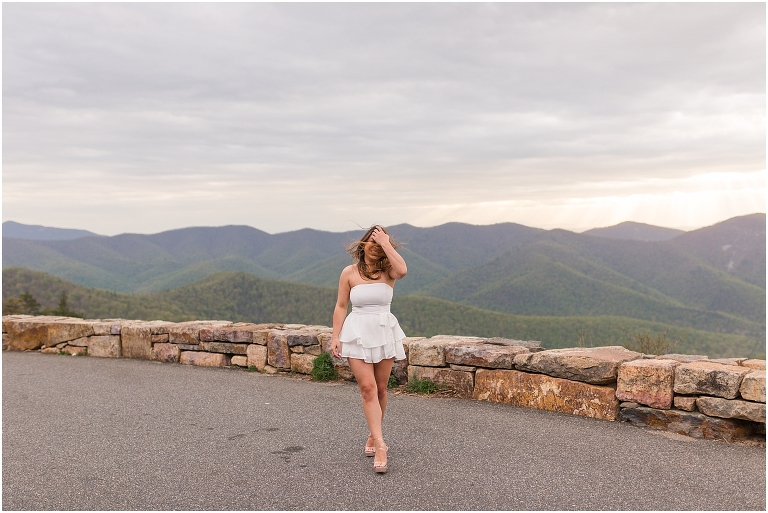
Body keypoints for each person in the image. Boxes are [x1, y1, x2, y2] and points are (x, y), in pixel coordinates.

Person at [329, 225, 408, 474]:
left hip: (384, 331)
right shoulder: (349, 272)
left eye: (381, 244)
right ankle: (381, 445)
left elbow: (403, 270)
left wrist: (385, 242)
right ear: (363, 244)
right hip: (357, 332)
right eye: (372, 243)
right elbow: (341, 305)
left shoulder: (389, 271)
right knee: (368, 388)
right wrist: (335, 336)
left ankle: (374, 435)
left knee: (381, 388)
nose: (376, 248)